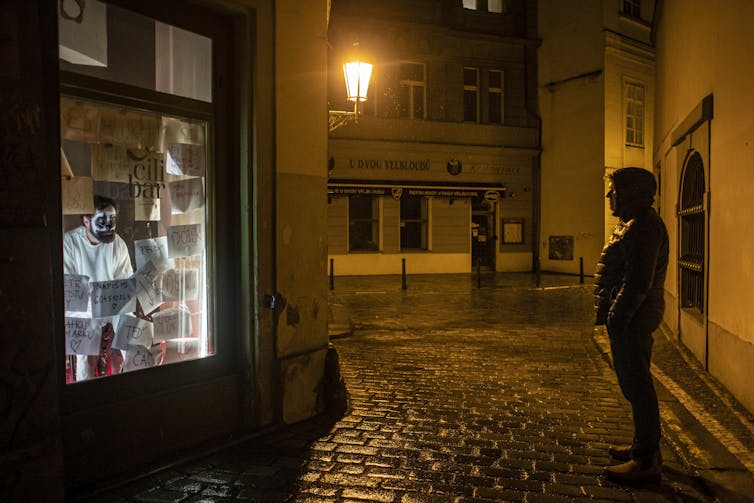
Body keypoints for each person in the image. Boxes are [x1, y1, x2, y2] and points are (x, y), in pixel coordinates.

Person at [594, 167, 669, 485]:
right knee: (633, 384)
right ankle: (644, 447)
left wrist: (617, 318)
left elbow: (637, 282)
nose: (609, 196)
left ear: (631, 193)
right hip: (629, 317)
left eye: (614, 190)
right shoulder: (633, 225)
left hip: (633, 318)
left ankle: (646, 459)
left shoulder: (643, 228)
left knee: (637, 385)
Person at [64, 195, 133, 381]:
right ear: (86, 221)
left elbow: (125, 284)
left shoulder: (118, 243)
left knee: (127, 343)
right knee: (87, 360)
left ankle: (126, 382)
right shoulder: (69, 243)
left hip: (112, 305)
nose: (109, 227)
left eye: (112, 220)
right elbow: (70, 291)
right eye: (102, 221)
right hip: (83, 310)